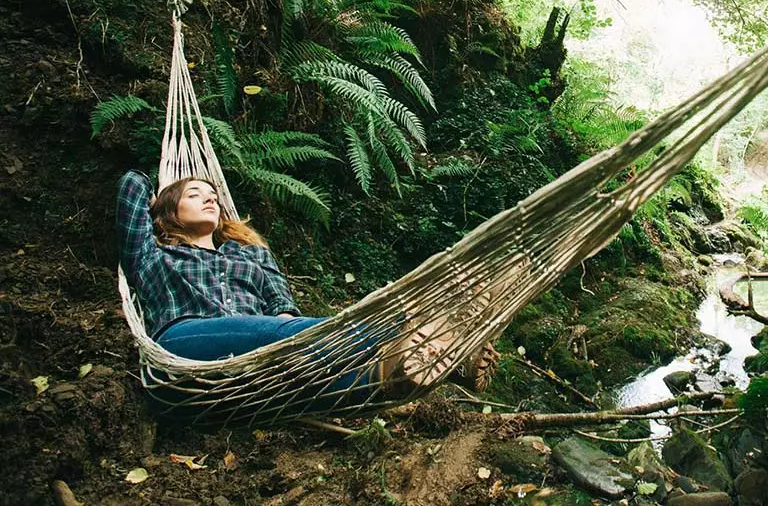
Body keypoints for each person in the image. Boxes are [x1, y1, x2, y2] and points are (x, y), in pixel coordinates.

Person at [115, 170, 497, 406]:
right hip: (184, 351)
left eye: (213, 194)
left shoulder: (247, 254)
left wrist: (289, 322)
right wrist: (152, 195)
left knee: (333, 379)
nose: (210, 198)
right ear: (167, 210)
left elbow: (281, 305)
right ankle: (405, 325)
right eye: (195, 194)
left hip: (258, 360)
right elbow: (131, 183)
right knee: (286, 336)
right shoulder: (154, 255)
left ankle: (430, 365)